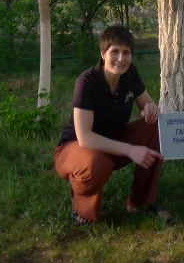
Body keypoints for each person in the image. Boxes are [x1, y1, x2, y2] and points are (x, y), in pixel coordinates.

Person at [54, 24, 169, 225]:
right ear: (103, 53)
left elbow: (148, 104)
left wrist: (150, 109)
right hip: (75, 148)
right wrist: (130, 150)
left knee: (157, 125)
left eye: (126, 52)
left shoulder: (130, 74)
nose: (121, 58)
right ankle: (83, 210)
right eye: (114, 51)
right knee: (96, 163)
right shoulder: (87, 81)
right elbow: (85, 137)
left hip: (113, 143)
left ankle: (138, 203)